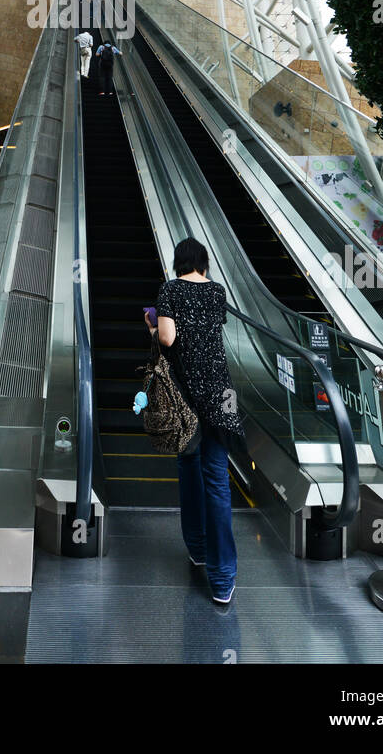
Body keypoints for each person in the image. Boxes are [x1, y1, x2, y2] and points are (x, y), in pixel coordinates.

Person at [146, 237, 241, 606]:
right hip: (220, 393)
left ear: (178, 263)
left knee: (188, 463)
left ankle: (198, 549)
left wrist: (152, 326)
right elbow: (213, 327)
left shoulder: (169, 289)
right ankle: (222, 579)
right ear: (203, 262)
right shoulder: (217, 292)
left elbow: (168, 339)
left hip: (185, 393)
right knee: (217, 479)